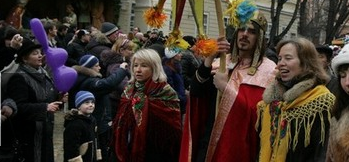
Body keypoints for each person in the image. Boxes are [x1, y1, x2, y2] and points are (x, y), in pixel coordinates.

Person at [181, 11, 276, 162]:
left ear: (259, 39)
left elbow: (258, 115)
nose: (244, 34)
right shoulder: (223, 62)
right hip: (208, 139)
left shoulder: (268, 70)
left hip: (235, 146)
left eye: (251, 32)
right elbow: (197, 93)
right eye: (242, 29)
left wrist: (226, 88)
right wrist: (210, 58)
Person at [257, 38, 335, 161]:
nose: (280, 63)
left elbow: (321, 153)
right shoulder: (271, 103)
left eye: (288, 58)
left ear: (306, 62)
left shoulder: (321, 102)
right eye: (279, 58)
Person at [112, 49, 181, 162]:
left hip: (156, 149)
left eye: (144, 66)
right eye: (135, 65)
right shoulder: (128, 90)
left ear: (154, 68)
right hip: (129, 145)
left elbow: (173, 127)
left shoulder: (165, 92)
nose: (138, 70)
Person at [7, 40, 62, 162]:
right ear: (25, 59)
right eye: (34, 53)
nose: (40, 56)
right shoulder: (19, 77)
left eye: (40, 53)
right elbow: (18, 106)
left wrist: (59, 98)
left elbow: (48, 98)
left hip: (45, 131)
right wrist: (44, 107)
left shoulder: (44, 74)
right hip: (29, 135)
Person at [71, 54, 130, 161]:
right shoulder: (89, 82)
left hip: (97, 121)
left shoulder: (84, 79)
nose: (99, 68)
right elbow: (109, 84)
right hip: (98, 122)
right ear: (88, 68)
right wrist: (122, 70)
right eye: (96, 66)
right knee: (101, 151)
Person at [64, 91, 99, 162]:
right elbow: (71, 147)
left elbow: (95, 139)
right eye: (87, 102)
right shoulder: (75, 124)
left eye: (92, 102)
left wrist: (97, 154)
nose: (91, 105)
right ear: (79, 106)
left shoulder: (92, 120)